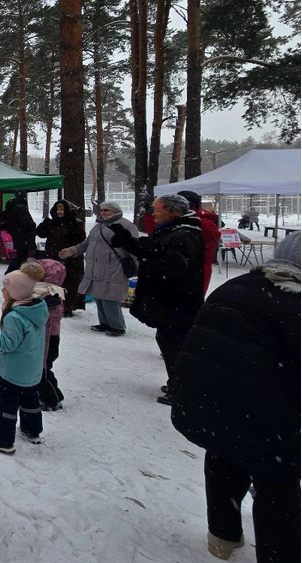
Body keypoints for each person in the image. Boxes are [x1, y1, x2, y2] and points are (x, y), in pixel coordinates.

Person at [171, 232, 301, 563]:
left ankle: (223, 537)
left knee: (223, 462)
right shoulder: (292, 302)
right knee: (277, 490)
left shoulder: (236, 287)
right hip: (271, 418)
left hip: (217, 405)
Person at [109, 194, 204, 405]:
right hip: (170, 301)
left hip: (178, 302)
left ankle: (182, 388)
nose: (153, 213)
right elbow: (156, 250)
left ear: (174, 211)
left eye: (158, 209)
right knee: (168, 341)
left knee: (175, 345)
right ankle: (177, 382)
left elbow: (172, 266)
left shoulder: (185, 235)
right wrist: (130, 242)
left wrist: (145, 257)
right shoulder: (173, 231)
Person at [0, 270, 49, 454]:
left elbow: (8, 344)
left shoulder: (14, 317)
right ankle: (32, 430)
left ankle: (3, 439)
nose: (2, 291)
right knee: (30, 399)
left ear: (15, 293)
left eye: (5, 288)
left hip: (14, 372)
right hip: (32, 370)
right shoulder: (37, 308)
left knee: (7, 404)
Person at [60, 201, 139, 337]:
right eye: (101, 210)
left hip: (114, 268)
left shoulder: (125, 225)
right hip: (96, 267)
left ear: (115, 212)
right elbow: (87, 243)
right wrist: (72, 251)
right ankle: (105, 323)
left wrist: (136, 266)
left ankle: (117, 326)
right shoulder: (98, 226)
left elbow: (134, 248)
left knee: (110, 297)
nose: (102, 213)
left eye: (106, 210)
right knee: (99, 296)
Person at [21, 261, 66, 412]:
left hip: (49, 339)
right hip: (42, 338)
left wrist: (44, 304)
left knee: (43, 371)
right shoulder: (41, 289)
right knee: (40, 369)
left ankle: (52, 399)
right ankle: (47, 395)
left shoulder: (53, 292)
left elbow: (55, 312)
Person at [36, 199, 86, 315]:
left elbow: (80, 239)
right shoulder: (53, 222)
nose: (59, 212)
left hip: (71, 258)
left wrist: (72, 228)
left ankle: (68, 306)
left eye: (62, 209)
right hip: (53, 256)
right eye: (58, 209)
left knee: (69, 281)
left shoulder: (75, 222)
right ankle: (54, 303)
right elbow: (41, 234)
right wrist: (44, 225)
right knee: (53, 280)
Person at [178, 190, 222, 293]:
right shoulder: (178, 220)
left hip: (196, 273)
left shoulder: (204, 221)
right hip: (180, 270)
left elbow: (212, 237)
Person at [3, 191, 36, 272]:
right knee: (21, 259)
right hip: (24, 236)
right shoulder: (22, 207)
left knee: (18, 257)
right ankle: (17, 274)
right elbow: (26, 222)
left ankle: (13, 273)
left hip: (16, 235)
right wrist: (33, 225)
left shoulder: (11, 206)